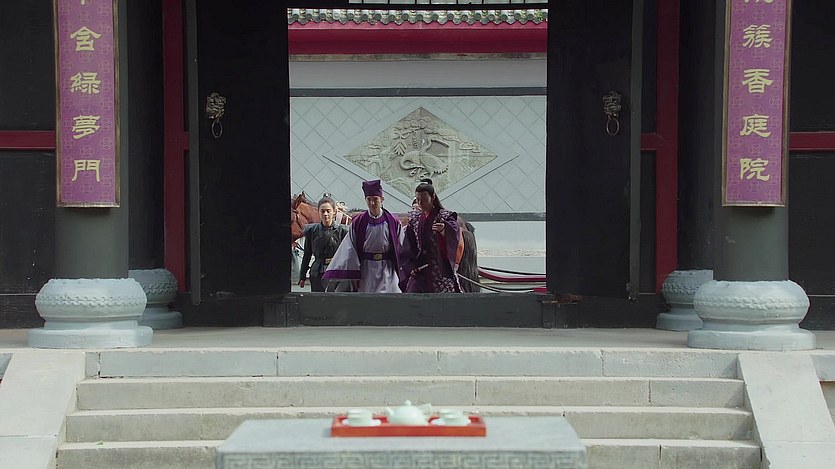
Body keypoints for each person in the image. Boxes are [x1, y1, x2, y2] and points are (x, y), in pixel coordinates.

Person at [322, 179, 403, 292]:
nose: (372, 203)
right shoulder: (358, 222)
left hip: (387, 269)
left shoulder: (393, 221)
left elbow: (401, 246)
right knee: (367, 298)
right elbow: (349, 248)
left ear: (382, 199)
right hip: (366, 270)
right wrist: (354, 273)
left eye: (375, 199)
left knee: (390, 296)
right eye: (369, 199)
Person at [401, 180, 462, 293]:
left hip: (439, 271)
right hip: (419, 271)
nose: (420, 203)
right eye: (418, 199)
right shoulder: (415, 219)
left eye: (424, 199)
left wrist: (444, 230)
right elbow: (408, 244)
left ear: (433, 197)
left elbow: (454, 232)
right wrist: (410, 266)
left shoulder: (444, 216)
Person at [298, 196, 349, 292]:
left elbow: (349, 255)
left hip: (337, 271)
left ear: (334, 212)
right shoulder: (311, 231)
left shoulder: (343, 231)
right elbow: (307, 254)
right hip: (317, 271)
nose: (325, 214)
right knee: (318, 298)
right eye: (323, 211)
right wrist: (302, 276)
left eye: (328, 211)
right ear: (319, 212)